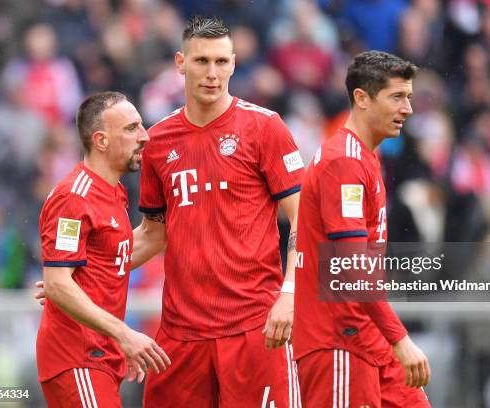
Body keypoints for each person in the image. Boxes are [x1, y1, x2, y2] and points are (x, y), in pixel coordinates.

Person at [134, 16, 304, 407]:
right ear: (180, 63)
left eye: (221, 62)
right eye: (201, 61)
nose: (213, 73)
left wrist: (289, 295)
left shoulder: (265, 127)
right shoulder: (157, 142)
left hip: (255, 326)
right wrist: (85, 268)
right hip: (180, 334)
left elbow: (304, 218)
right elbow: (152, 233)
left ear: (234, 63)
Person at [292, 51, 432, 407]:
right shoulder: (344, 163)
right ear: (361, 98)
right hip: (339, 340)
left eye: (409, 97)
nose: (408, 109)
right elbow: (352, 267)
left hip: (366, 336)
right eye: (397, 97)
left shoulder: (364, 157)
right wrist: (400, 338)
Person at [37, 91, 170, 408]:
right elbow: (58, 283)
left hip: (100, 357)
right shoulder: (74, 197)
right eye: (131, 128)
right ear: (101, 140)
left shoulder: (114, 193)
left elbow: (112, 256)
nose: (144, 136)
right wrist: (126, 335)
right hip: (77, 357)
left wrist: (70, 281)